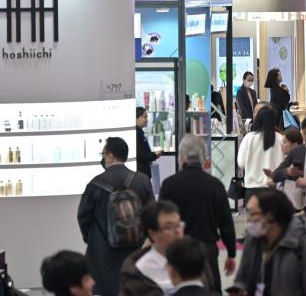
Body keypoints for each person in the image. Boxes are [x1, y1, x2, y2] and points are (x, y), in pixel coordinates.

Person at [159, 135, 236, 294]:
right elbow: (226, 223)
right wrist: (231, 253)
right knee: (211, 290)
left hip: (178, 250)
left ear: (181, 157)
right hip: (207, 250)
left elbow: (160, 221)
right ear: (204, 158)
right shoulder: (215, 185)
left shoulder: (169, 185)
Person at [77, 137, 154, 296]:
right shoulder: (142, 180)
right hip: (136, 249)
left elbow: (83, 216)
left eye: (103, 154)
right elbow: (152, 213)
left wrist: (90, 239)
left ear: (111, 155)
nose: (103, 158)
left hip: (104, 251)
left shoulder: (95, 183)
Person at [230, 189, 306, 296]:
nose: (248, 219)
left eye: (253, 214)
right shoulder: (252, 240)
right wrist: (238, 289)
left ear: (271, 215)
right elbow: (241, 278)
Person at [120, 200, 215, 296]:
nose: (178, 231)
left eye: (179, 225)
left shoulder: (195, 258)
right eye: (169, 227)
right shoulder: (139, 270)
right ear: (152, 233)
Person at [237, 106, 285, 202]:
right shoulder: (281, 139)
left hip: (252, 187)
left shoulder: (249, 138)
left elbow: (241, 163)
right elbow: (285, 164)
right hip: (273, 187)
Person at [136, 107, 160, 179]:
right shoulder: (136, 134)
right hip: (141, 173)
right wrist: (154, 155)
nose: (147, 120)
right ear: (136, 118)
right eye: (144, 117)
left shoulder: (140, 133)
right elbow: (140, 154)